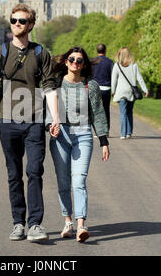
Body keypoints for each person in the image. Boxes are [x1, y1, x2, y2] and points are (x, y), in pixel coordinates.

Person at [0, 4, 60, 242]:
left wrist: (55, 118)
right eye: (13, 20)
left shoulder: (41, 53)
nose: (17, 24)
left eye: (22, 21)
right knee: (14, 174)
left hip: (34, 120)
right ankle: (18, 223)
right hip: (7, 121)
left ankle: (35, 224)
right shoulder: (0, 52)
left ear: (31, 25)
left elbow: (49, 88)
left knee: (34, 171)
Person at [47, 47, 110, 243]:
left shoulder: (90, 86)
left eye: (79, 60)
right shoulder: (56, 84)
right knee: (63, 181)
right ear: (66, 62)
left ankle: (81, 224)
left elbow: (98, 113)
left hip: (83, 135)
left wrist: (104, 141)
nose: (75, 62)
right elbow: (49, 110)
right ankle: (68, 222)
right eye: (72, 59)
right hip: (61, 135)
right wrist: (51, 125)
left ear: (84, 65)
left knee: (79, 180)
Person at [111, 47, 149, 139]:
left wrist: (113, 91)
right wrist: (145, 90)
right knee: (129, 112)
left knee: (123, 113)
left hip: (121, 92)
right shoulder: (134, 65)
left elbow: (114, 80)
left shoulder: (117, 65)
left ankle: (123, 134)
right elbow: (139, 78)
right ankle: (129, 132)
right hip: (131, 92)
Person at [91, 43, 113, 134]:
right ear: (105, 51)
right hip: (106, 88)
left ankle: (98, 131)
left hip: (96, 88)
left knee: (96, 111)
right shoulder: (110, 62)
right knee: (106, 109)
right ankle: (106, 130)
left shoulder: (93, 62)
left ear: (97, 51)